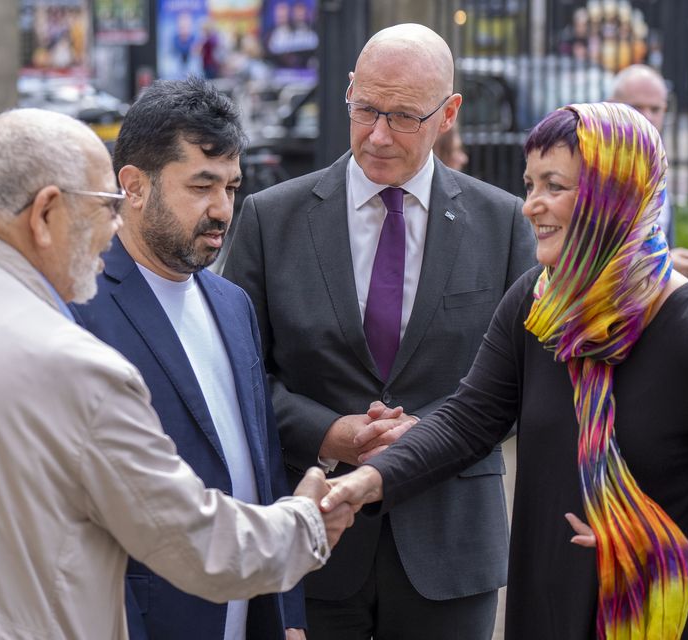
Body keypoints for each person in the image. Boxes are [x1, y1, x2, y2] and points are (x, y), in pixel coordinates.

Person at [0, 108, 355, 639]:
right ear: (46, 214)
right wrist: (307, 525)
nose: (114, 229)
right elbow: (193, 542)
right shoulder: (70, 361)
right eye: (104, 207)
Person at [322, 102, 688, 640]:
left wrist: (678, 564)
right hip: (554, 600)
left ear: (614, 195)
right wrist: (368, 481)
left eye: (555, 185)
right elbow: (468, 420)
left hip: (669, 614)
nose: (532, 206)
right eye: (530, 184)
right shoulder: (536, 303)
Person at [223, 23, 536, 640]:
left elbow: (526, 383)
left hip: (450, 547)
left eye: (402, 116)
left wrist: (430, 439)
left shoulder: (501, 224)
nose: (378, 134)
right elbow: (240, 373)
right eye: (365, 108)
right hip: (314, 540)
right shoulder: (271, 218)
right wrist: (329, 434)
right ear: (347, 93)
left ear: (448, 114)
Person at [72, 78, 306, 640]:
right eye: (202, 186)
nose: (223, 209)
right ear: (133, 186)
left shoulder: (232, 305)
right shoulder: (80, 308)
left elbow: (264, 468)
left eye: (231, 186)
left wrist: (289, 615)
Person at [610, 64, 688, 281]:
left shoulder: (655, 165)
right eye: (636, 107)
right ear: (610, 106)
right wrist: (664, 263)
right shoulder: (590, 168)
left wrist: (671, 258)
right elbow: (586, 257)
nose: (647, 117)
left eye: (656, 109)